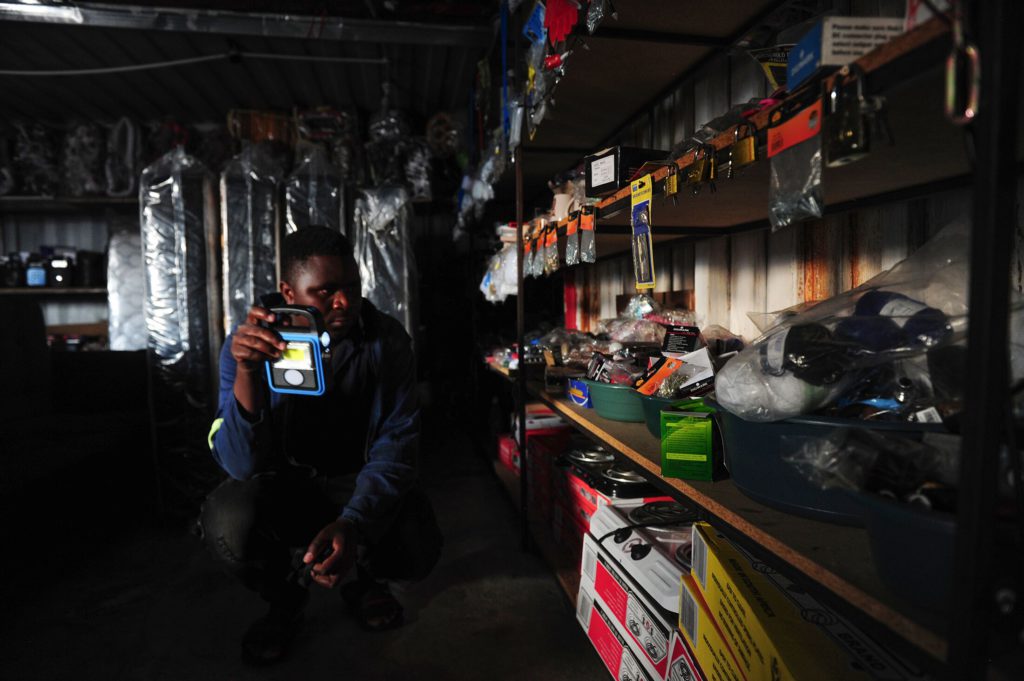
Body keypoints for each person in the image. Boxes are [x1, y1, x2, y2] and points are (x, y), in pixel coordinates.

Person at [200, 226, 441, 665]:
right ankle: (285, 599)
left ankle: (366, 583)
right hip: (286, 489)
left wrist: (354, 523)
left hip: (354, 484)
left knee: (417, 537)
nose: (343, 302)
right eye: (325, 291)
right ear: (288, 292)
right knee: (228, 520)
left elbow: (396, 446)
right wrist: (248, 374)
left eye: (351, 286)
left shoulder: (386, 340)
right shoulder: (249, 345)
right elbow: (239, 464)